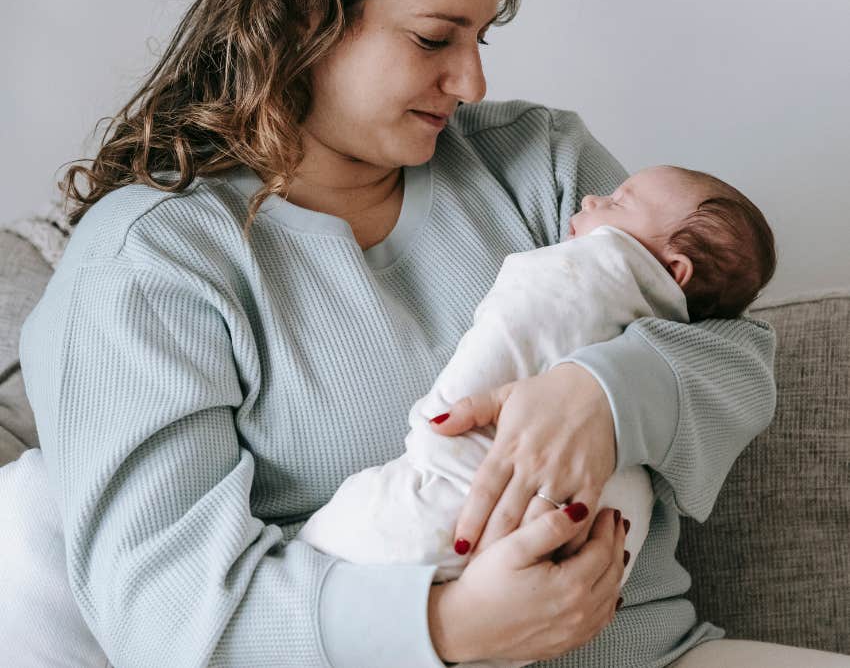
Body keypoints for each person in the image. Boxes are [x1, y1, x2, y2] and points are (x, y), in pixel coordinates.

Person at [7, 0, 845, 666]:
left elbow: (738, 356)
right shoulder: (154, 263)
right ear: (304, 16)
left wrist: (605, 395)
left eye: (482, 38)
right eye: (434, 39)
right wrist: (445, 627)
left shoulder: (538, 164)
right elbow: (165, 608)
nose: (472, 81)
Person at [297, 164, 776, 604]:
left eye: (617, 202)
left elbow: (749, 357)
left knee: (332, 534)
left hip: (463, 510)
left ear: (675, 271)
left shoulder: (581, 258)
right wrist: (455, 627)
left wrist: (601, 393)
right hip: (529, 586)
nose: (591, 200)